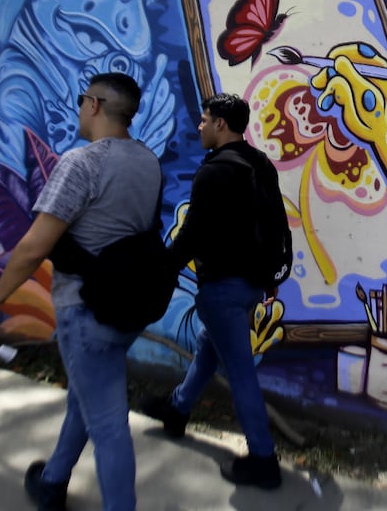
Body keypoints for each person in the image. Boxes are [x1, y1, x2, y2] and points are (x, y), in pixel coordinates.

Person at [0, 72, 162, 511]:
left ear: (95, 105)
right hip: (126, 307)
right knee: (86, 399)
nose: (80, 106)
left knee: (107, 425)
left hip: (86, 311)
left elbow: (32, 249)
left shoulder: (82, 162)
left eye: (83, 99)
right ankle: (52, 482)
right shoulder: (147, 161)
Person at [142, 92, 283, 490]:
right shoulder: (260, 164)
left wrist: (161, 270)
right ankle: (178, 409)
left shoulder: (214, 171)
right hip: (252, 284)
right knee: (209, 348)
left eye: (205, 120)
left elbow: (192, 234)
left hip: (222, 287)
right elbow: (275, 225)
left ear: (221, 124)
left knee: (240, 374)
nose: (200, 126)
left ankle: (263, 461)